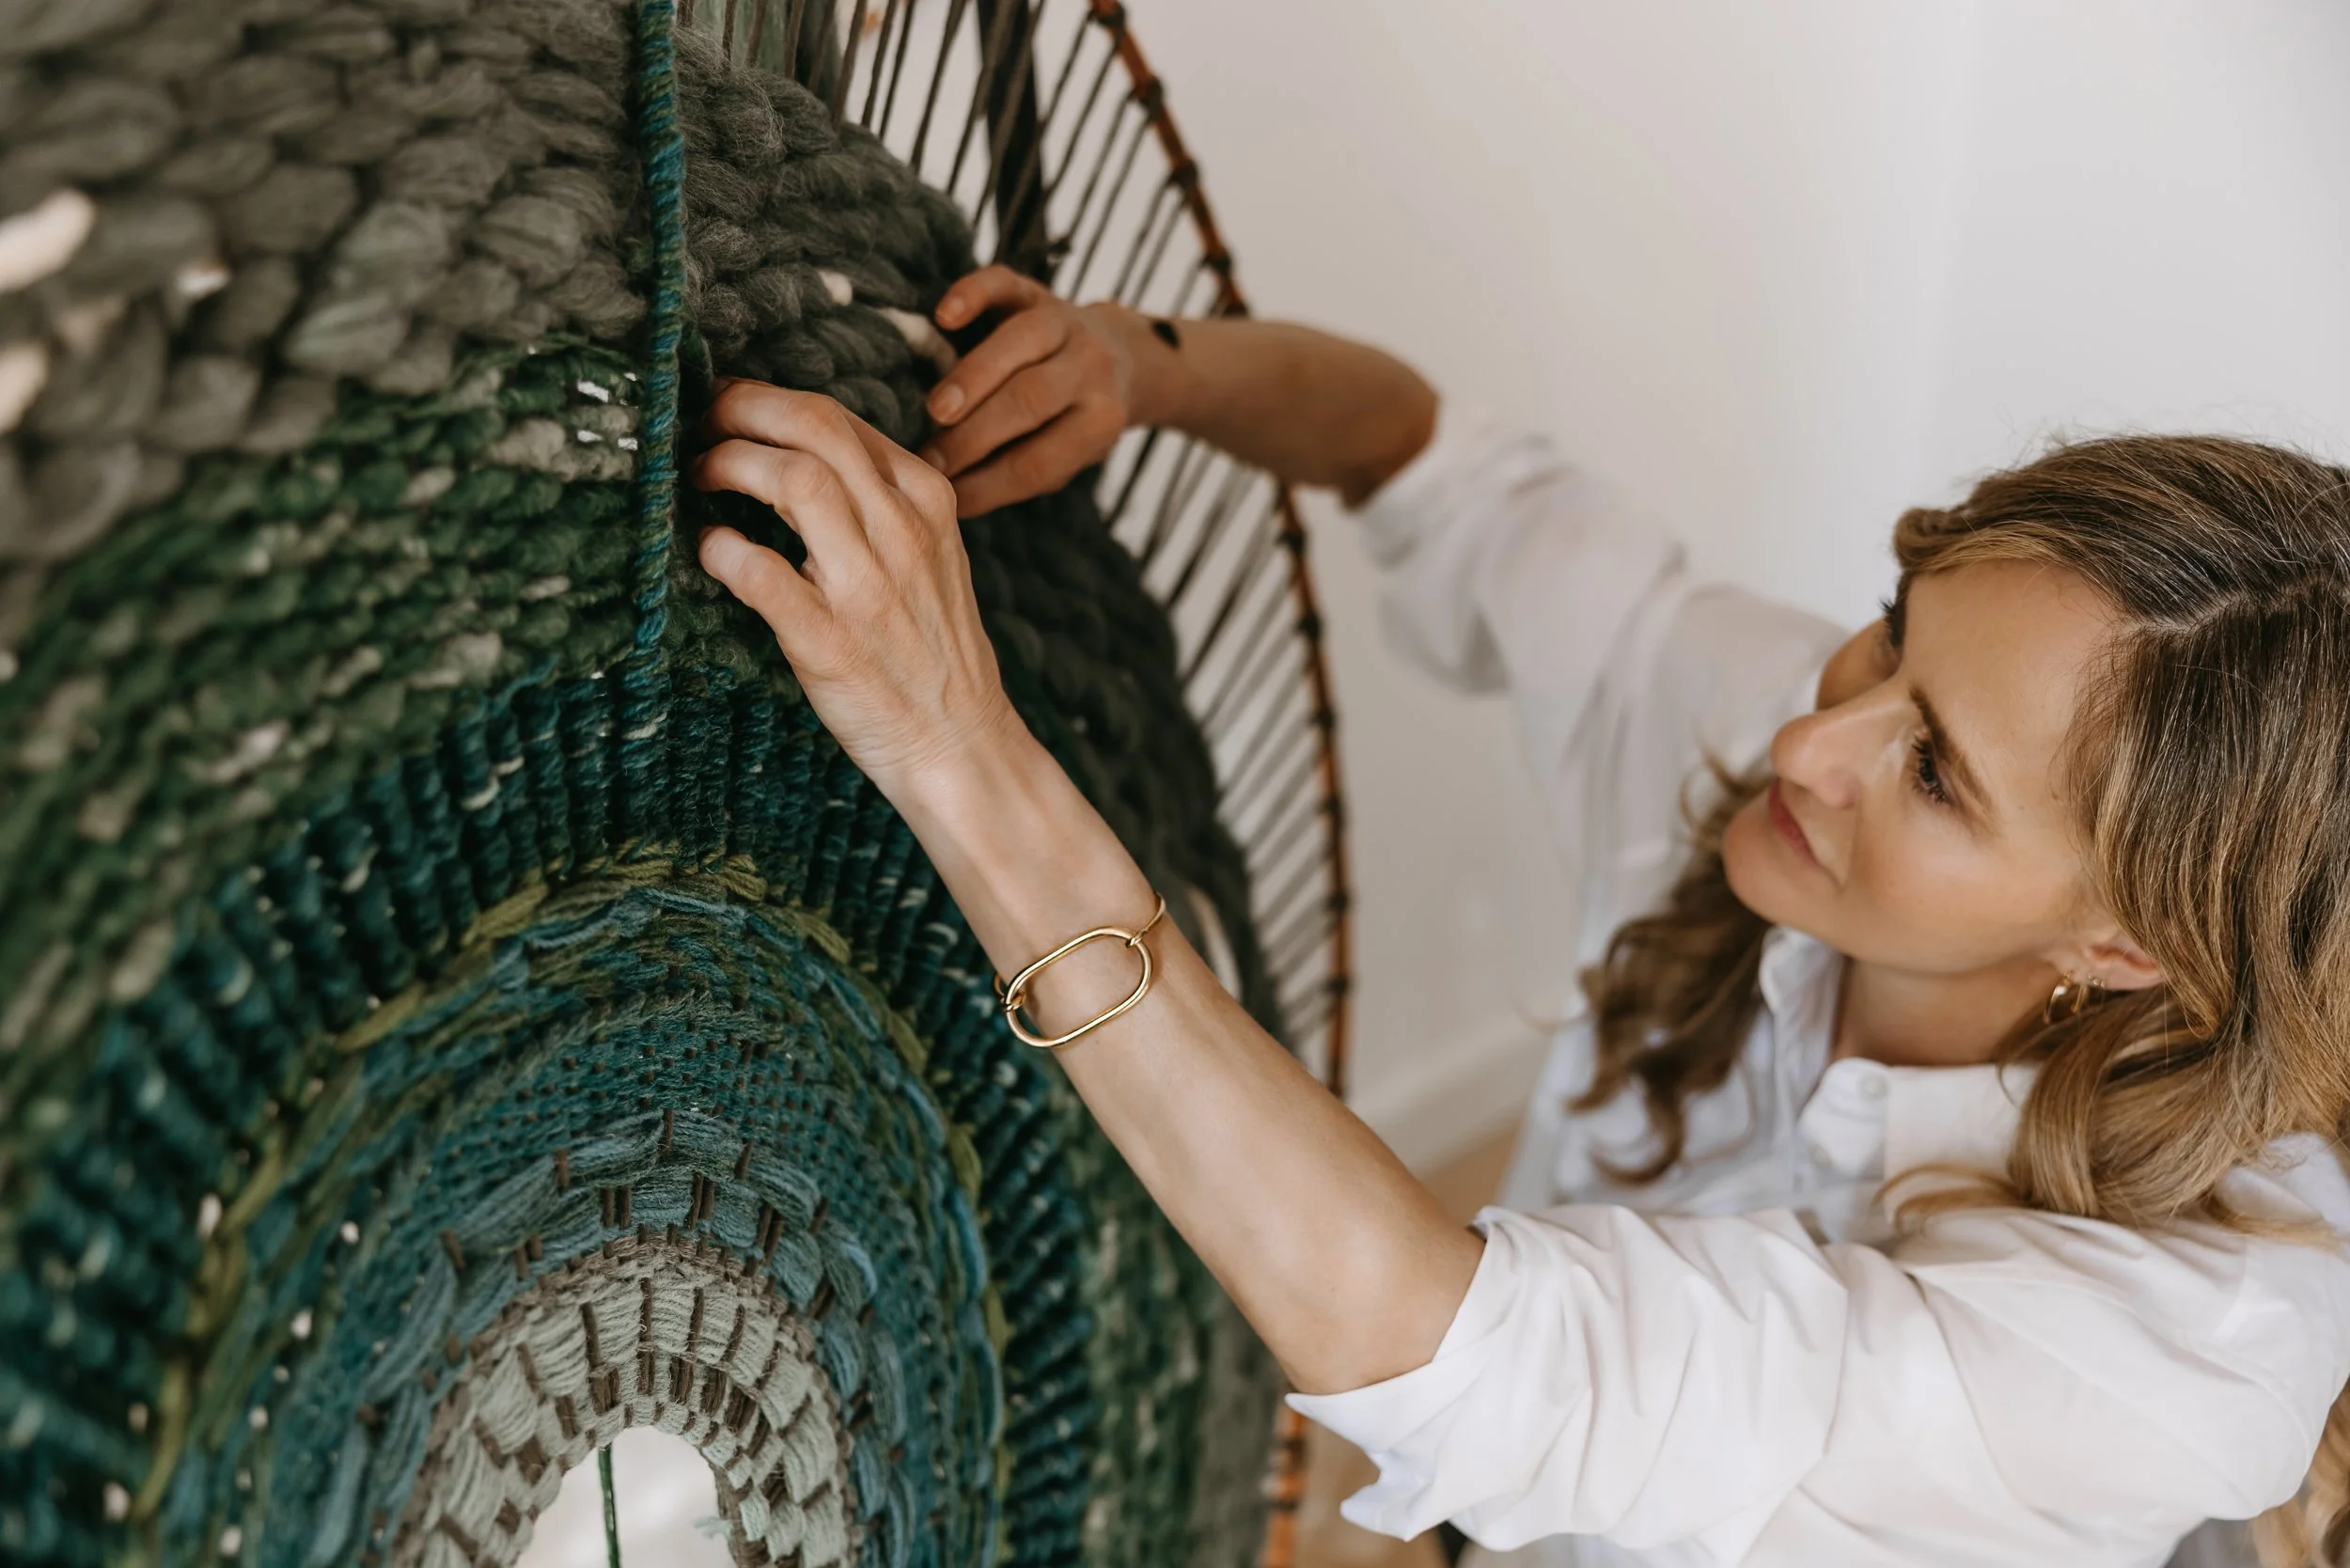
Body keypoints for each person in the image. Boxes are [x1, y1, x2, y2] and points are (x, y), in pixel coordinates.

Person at [685, 265, 2350, 1568]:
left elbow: (1462, 1356)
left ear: (2127, 945)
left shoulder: (2178, 1364)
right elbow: (1430, 458)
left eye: (1935, 777)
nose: (1806, 739)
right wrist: (1142, 366)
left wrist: (957, 752)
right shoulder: (1787, 742)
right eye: (1887, 631)